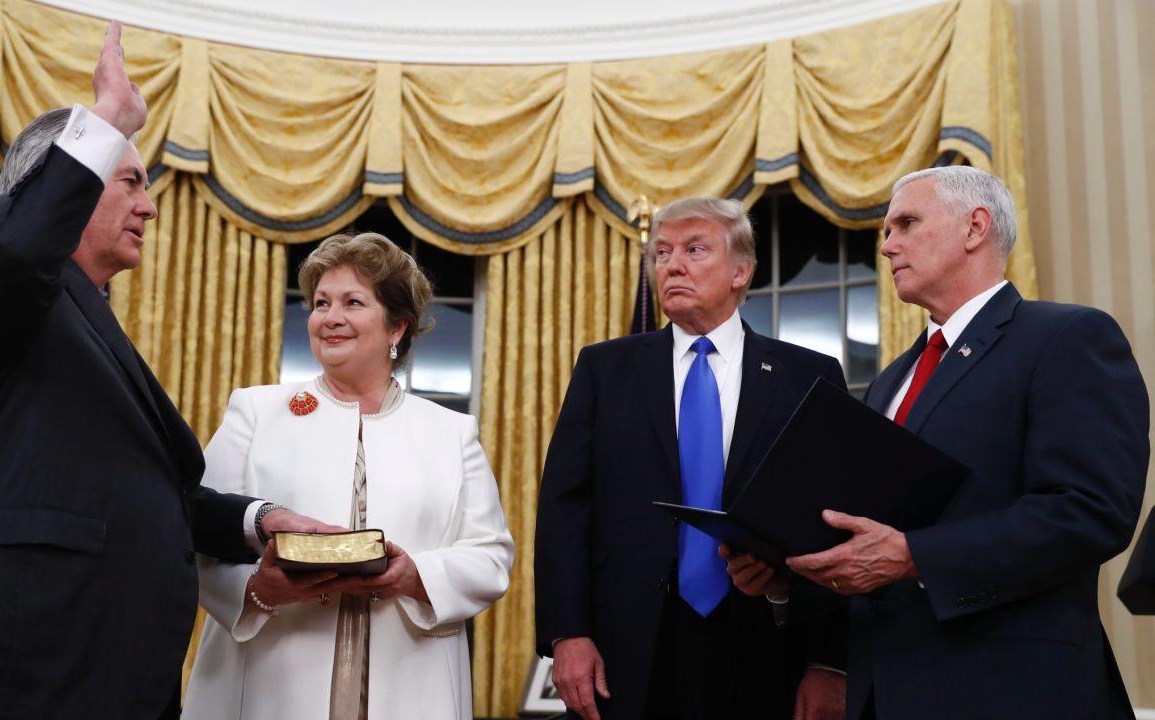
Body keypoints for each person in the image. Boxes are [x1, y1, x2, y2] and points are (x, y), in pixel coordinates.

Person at [0, 22, 329, 720]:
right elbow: (14, 252)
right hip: (21, 668)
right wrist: (106, 123)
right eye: (129, 181)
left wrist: (260, 521)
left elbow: (150, 493)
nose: (150, 205)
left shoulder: (85, 319)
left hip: (113, 674)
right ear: (61, 184)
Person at [772, 166, 1148, 719]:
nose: (887, 246)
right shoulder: (888, 380)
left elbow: (1090, 512)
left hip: (1012, 693)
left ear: (975, 228)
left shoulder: (1067, 337)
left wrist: (913, 557)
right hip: (882, 692)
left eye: (905, 223)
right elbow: (870, 539)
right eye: (886, 231)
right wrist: (783, 572)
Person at [535, 197, 848, 720]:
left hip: (768, 641)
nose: (671, 264)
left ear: (741, 271)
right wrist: (568, 633)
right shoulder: (603, 370)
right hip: (625, 648)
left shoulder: (809, 375)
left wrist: (829, 662)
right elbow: (565, 509)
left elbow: (833, 521)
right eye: (661, 252)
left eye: (694, 249)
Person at [183, 231, 515, 720]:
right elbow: (197, 534)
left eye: (352, 302)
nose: (330, 318)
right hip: (271, 678)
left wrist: (414, 576)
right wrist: (258, 589)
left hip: (410, 680)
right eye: (320, 303)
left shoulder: (452, 431)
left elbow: (491, 558)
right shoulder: (254, 411)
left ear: (397, 327)